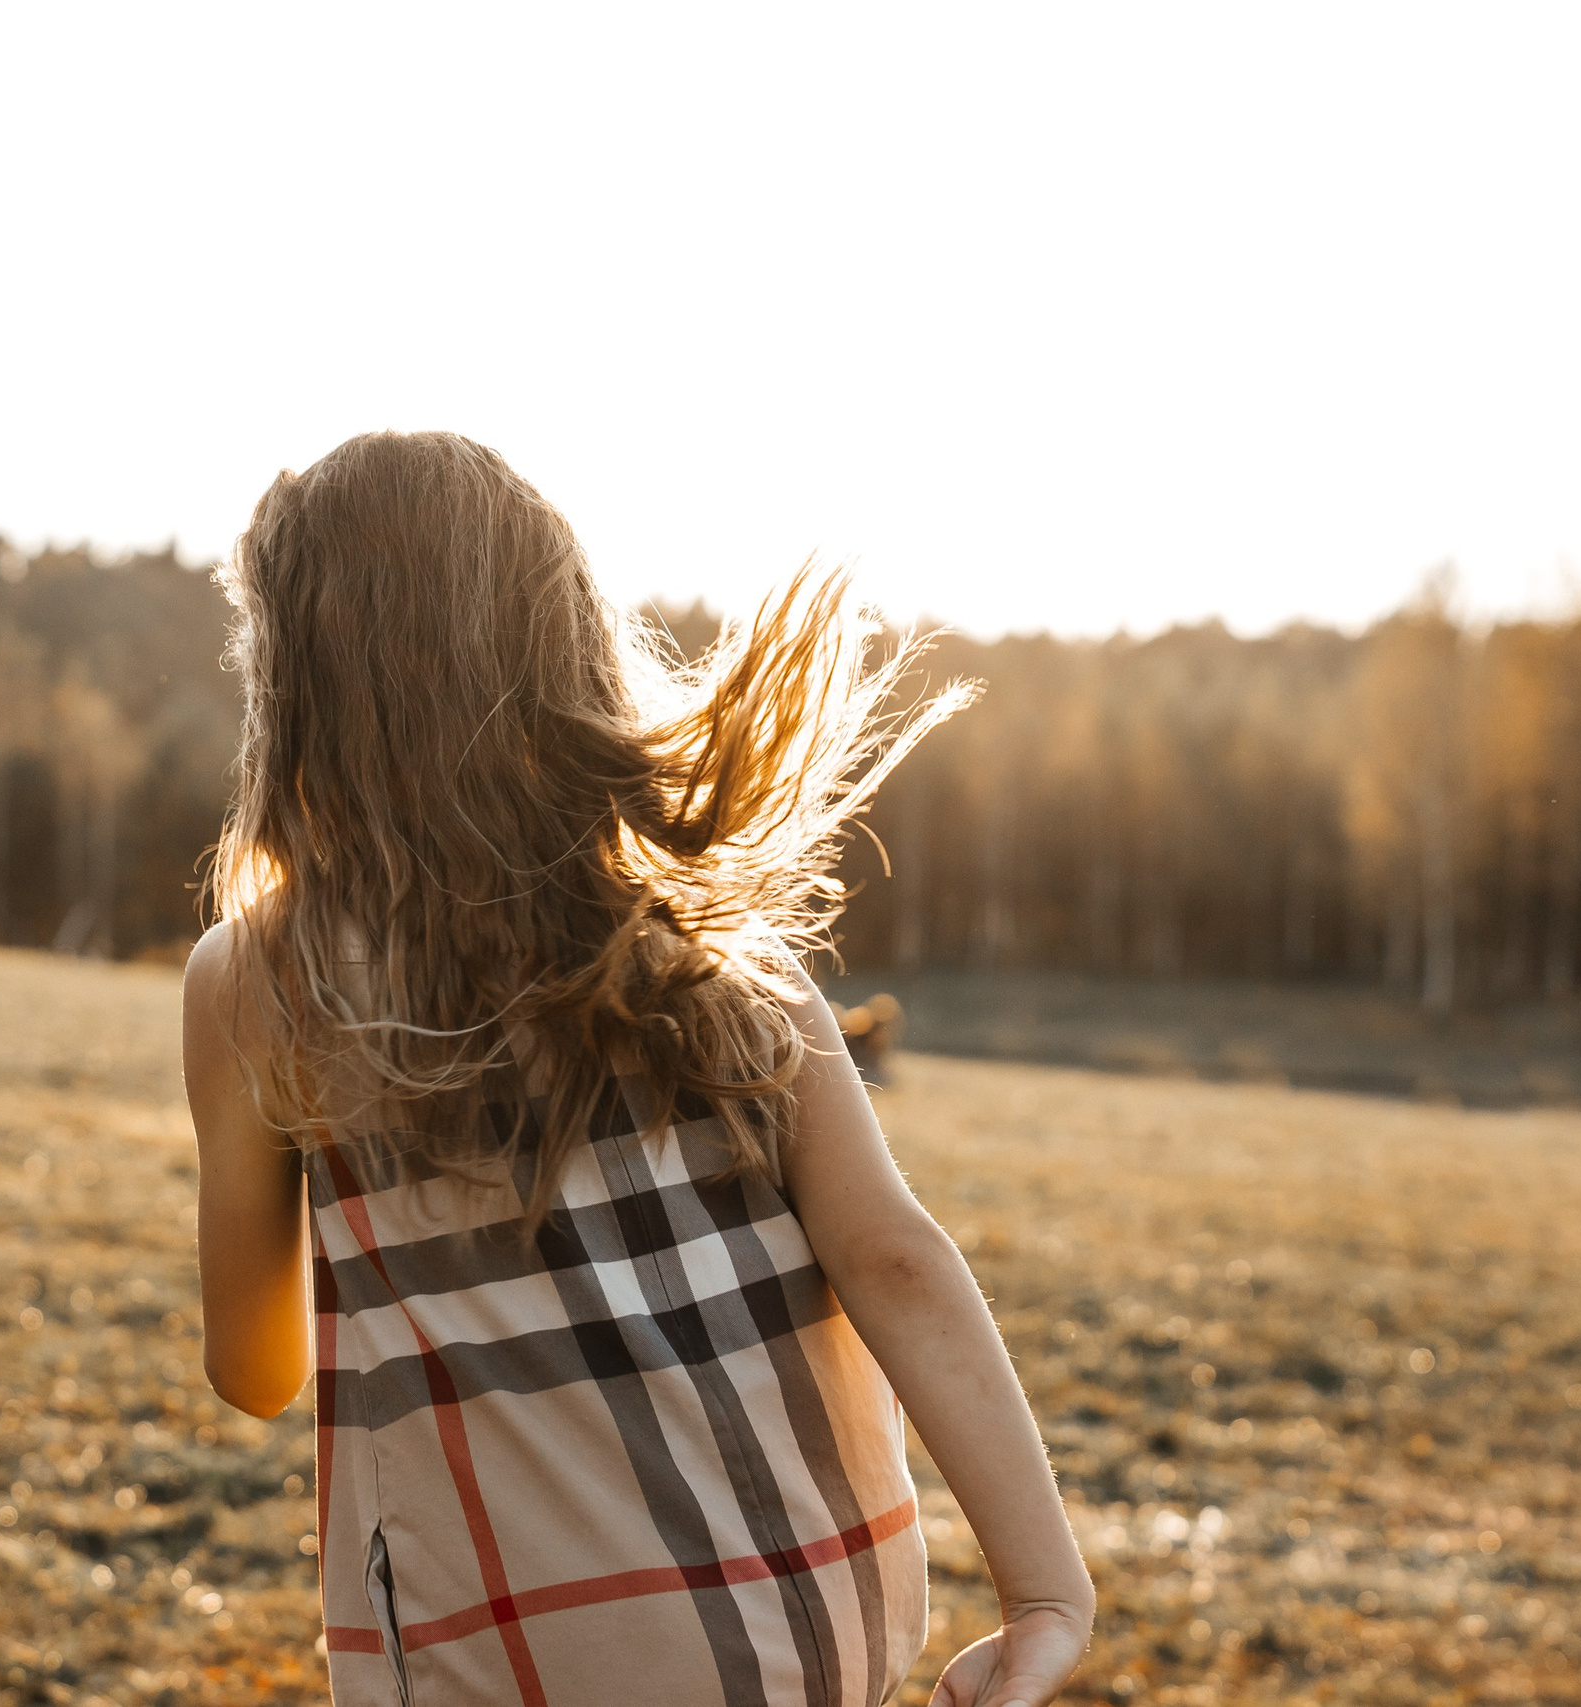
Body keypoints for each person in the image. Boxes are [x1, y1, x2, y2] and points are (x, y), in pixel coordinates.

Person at [182, 431, 1092, 1706]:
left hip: (513, 1655)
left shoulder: (261, 981)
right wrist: (1045, 1592)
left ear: (298, 689)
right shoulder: (714, 943)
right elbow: (893, 1256)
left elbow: (257, 1372)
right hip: (807, 1623)